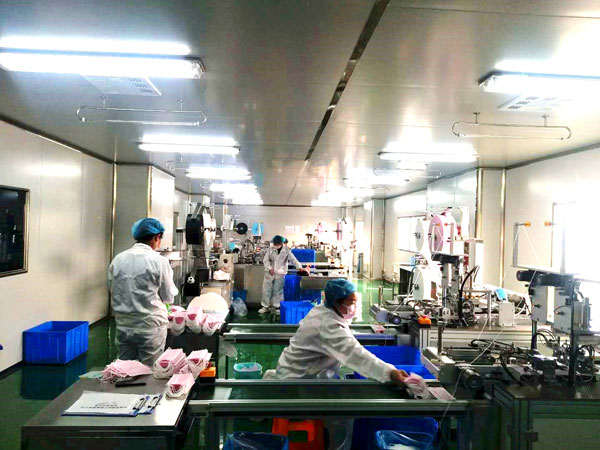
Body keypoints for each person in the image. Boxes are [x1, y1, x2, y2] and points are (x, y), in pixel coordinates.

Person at [276, 278, 407, 384]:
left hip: (299, 371)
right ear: (336, 302)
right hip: (298, 380)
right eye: (351, 303)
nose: (355, 307)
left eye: (356, 302)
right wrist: (390, 373)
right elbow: (356, 355)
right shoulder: (328, 325)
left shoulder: (324, 309)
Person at [108, 218, 179, 366]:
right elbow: (168, 297)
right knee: (149, 371)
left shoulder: (118, 259)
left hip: (124, 325)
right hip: (150, 327)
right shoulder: (159, 261)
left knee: (124, 370)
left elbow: (112, 289)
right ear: (157, 237)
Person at [260, 235, 308, 315]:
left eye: (277, 244)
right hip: (269, 273)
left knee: (278, 290)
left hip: (280, 273)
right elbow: (265, 260)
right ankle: (265, 307)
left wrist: (300, 267)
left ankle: (277, 307)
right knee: (266, 289)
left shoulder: (287, 250)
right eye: (274, 244)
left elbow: (293, 260)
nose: (275, 245)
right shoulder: (270, 249)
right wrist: (269, 268)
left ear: (281, 243)